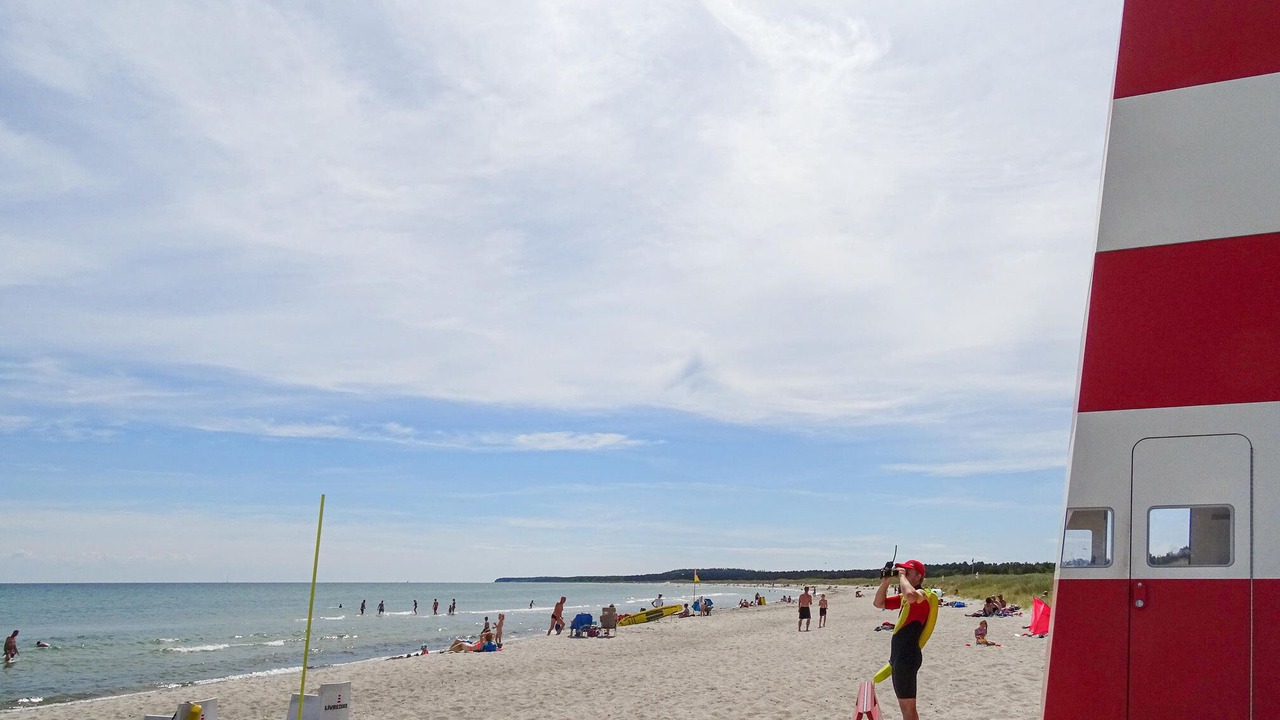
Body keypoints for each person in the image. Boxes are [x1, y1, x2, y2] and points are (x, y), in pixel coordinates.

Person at [874, 559, 935, 720]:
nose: (904, 574)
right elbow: (878, 603)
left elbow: (911, 595)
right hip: (900, 657)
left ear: (918, 576)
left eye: (908, 572)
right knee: (906, 708)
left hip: (907, 657)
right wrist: (886, 581)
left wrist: (901, 577)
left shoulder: (923, 595)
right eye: (903, 571)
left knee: (908, 709)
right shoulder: (904, 598)